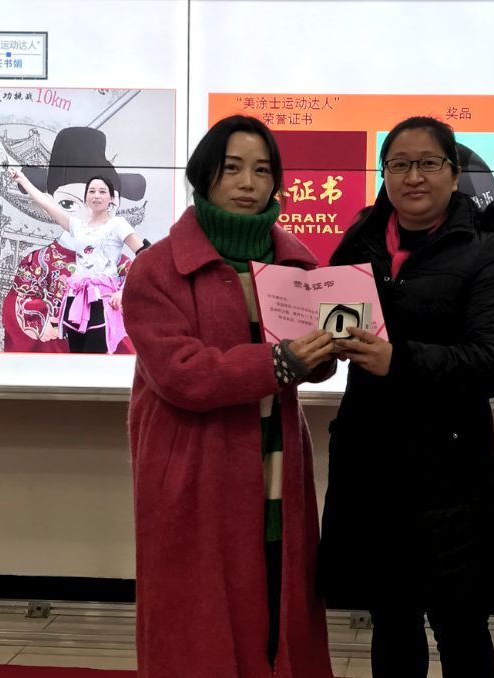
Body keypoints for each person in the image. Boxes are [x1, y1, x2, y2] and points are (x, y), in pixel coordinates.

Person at [122, 115, 336, 678]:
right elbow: (181, 373)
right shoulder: (157, 269)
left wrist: (327, 350)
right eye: (232, 168)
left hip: (276, 461)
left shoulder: (296, 263)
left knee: (278, 595)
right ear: (204, 176)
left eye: (262, 171)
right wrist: (280, 362)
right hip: (195, 469)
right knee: (199, 614)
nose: (248, 183)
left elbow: (307, 362)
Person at [318, 116, 494, 678]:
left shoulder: (488, 250)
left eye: (429, 163)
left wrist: (400, 360)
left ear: (454, 175)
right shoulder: (359, 241)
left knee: (462, 629)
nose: (414, 177)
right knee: (390, 626)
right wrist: (317, 351)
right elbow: (329, 319)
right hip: (371, 470)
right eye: (400, 164)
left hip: (451, 478)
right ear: (384, 174)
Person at [10, 169, 141, 354]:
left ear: (112, 198)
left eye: (102, 191)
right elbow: (46, 204)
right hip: (76, 298)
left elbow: (145, 254)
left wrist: (123, 291)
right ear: (86, 197)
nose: (96, 196)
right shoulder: (78, 226)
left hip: (101, 299)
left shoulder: (118, 224)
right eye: (92, 191)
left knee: (95, 356)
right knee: (77, 357)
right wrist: (23, 180)